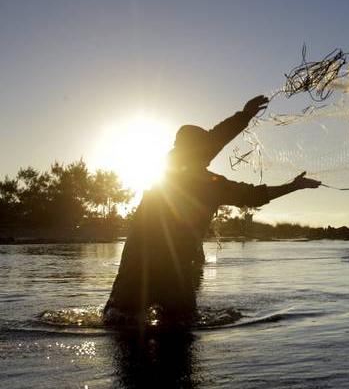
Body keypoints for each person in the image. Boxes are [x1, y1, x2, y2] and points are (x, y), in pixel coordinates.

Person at [103, 95, 320, 327]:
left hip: (136, 269)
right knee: (180, 331)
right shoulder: (211, 185)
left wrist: (244, 115)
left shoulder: (166, 171)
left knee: (119, 323)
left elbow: (216, 141)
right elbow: (256, 195)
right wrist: (293, 186)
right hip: (174, 274)